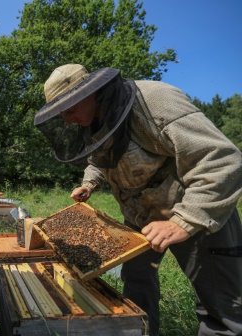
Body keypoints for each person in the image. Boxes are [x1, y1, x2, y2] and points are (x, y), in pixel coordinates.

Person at [34, 64, 242, 335]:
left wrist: (186, 219)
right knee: (136, 287)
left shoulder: (156, 102)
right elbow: (99, 157)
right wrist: (90, 183)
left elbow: (221, 160)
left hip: (197, 210)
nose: (68, 120)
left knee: (223, 308)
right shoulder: (95, 119)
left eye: (70, 111)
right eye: (63, 114)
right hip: (140, 217)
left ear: (90, 94)